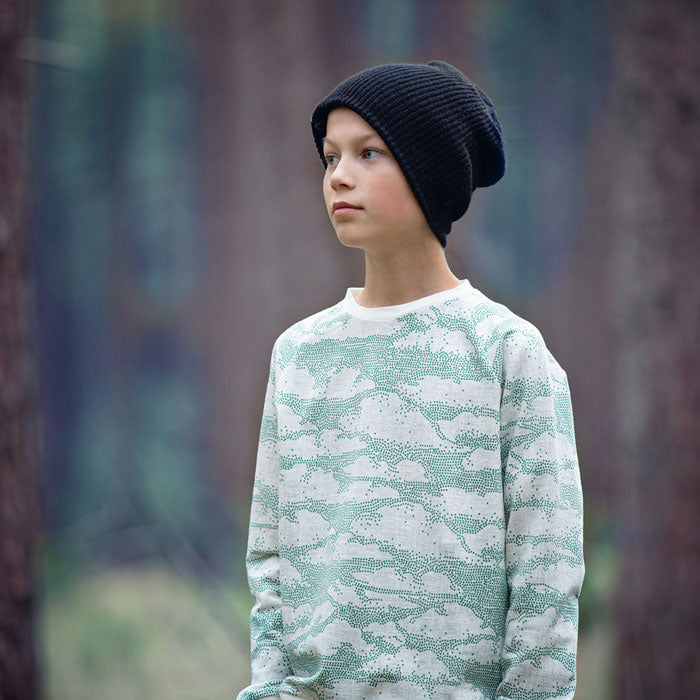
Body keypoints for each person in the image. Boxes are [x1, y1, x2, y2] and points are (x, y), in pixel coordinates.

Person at [237, 60, 585, 700]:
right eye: (329, 156)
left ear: (432, 171)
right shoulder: (299, 355)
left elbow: (546, 571)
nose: (338, 175)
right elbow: (271, 560)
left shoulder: (508, 352)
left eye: (369, 152)